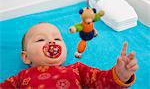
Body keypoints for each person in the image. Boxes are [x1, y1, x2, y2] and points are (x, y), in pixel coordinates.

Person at [0, 23, 138, 89]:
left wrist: (120, 75)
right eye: (40, 40)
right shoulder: (20, 78)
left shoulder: (76, 69)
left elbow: (101, 82)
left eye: (58, 39)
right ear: (26, 57)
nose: (51, 41)